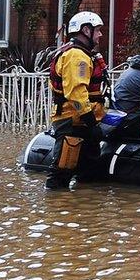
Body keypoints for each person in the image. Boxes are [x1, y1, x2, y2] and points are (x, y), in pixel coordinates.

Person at [47, 11, 108, 188]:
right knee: (61, 173)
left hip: (80, 123)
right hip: (73, 123)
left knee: (89, 174)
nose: (100, 35)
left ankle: (82, 209)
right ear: (86, 30)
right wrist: (90, 121)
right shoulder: (77, 57)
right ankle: (59, 208)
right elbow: (76, 92)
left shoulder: (81, 53)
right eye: (97, 30)